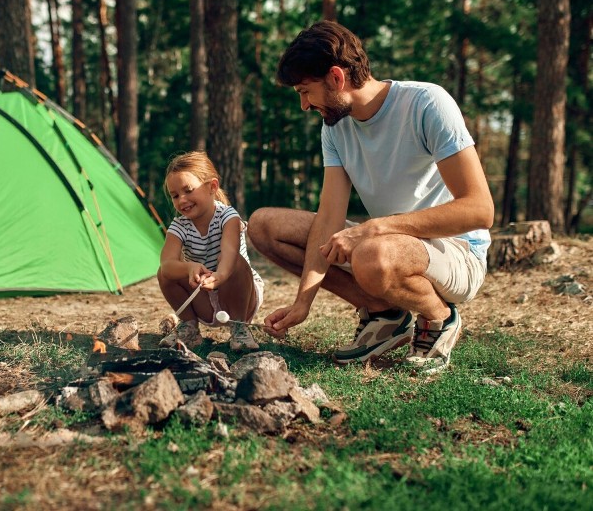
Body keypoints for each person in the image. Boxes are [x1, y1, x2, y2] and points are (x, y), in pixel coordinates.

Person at [247, 20, 493, 374]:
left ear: (336, 77)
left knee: (372, 252)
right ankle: (385, 315)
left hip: (457, 252)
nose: (304, 105)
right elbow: (328, 218)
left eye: (305, 91)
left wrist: (375, 229)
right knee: (263, 226)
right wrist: (304, 302)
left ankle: (439, 317)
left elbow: (480, 210)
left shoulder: (426, 103)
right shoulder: (335, 128)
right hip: (383, 250)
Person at [158, 151, 265, 352]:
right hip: (205, 299)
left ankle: (240, 329)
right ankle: (189, 327)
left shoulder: (228, 217)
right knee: (164, 273)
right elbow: (167, 264)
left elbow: (229, 253)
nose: (182, 200)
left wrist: (220, 276)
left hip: (241, 297)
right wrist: (189, 267)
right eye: (175, 195)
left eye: (188, 190)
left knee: (237, 262)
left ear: (212, 187)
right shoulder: (179, 226)